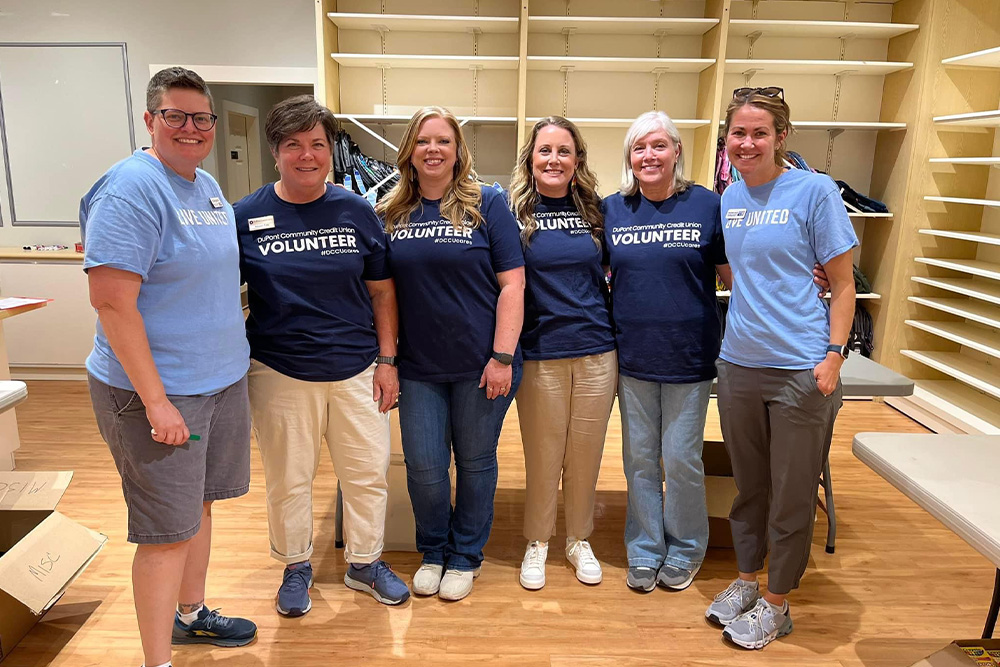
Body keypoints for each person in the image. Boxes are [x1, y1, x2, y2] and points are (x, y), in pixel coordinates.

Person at [80, 67, 256, 667]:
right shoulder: (131, 189)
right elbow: (110, 301)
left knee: (199, 508)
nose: (191, 128)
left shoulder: (204, 186)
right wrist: (156, 402)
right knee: (165, 533)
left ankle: (192, 616)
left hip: (218, 384)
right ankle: (158, 661)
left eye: (201, 118)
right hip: (161, 393)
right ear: (150, 120)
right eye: (175, 116)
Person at [232, 95, 409, 615]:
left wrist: (388, 360)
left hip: (357, 368)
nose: (307, 155)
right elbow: (219, 295)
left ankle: (364, 563)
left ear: (331, 149)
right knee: (289, 477)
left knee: (366, 472)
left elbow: (382, 293)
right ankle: (295, 565)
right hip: (279, 370)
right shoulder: (246, 216)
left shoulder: (357, 211)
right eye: (294, 145)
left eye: (317, 144)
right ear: (275, 152)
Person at [706, 86, 856, 650]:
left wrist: (833, 358)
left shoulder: (814, 191)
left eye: (758, 132)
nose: (746, 143)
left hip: (800, 368)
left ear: (781, 136)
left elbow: (843, 286)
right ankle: (746, 582)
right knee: (750, 489)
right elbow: (745, 273)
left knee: (793, 494)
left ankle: (777, 603)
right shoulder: (731, 197)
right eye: (737, 133)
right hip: (739, 363)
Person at [376, 106, 525, 602]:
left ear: (458, 150)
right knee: (423, 466)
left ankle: (466, 555)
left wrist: (502, 356)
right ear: (409, 153)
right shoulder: (390, 212)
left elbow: (513, 284)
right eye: (423, 141)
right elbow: (385, 293)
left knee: (477, 461)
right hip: (418, 366)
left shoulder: (489, 203)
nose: (433, 149)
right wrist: (388, 360)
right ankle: (434, 550)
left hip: (481, 362)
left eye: (443, 140)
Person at [603, 111, 732, 594]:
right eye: (639, 148)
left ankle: (685, 548)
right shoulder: (613, 209)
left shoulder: (707, 205)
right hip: (632, 356)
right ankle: (643, 548)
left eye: (659, 145)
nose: (649, 156)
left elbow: (734, 276)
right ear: (629, 157)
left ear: (677, 150)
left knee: (679, 458)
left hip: (689, 355)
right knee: (638, 459)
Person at [508, 117, 616, 590]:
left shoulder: (597, 211)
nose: (554, 160)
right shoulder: (511, 213)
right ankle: (538, 541)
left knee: (586, 453)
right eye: (545, 151)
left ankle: (578, 539)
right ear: (531, 159)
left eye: (564, 151)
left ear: (577, 161)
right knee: (544, 454)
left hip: (597, 349)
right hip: (539, 352)